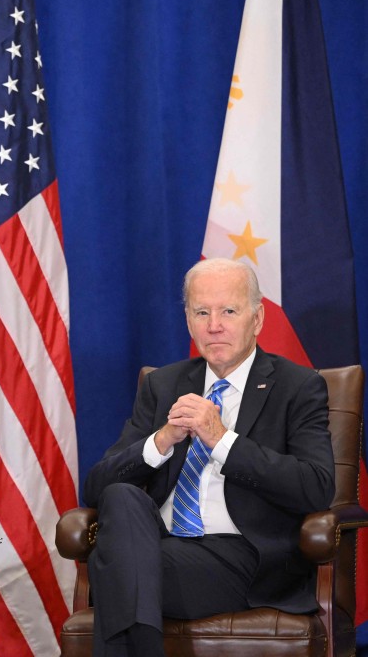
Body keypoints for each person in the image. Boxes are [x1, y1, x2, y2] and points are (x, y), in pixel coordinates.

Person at [82, 257, 335, 657]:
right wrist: (162, 441)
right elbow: (95, 488)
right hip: (158, 543)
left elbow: (315, 488)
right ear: (188, 320)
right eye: (202, 312)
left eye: (228, 311)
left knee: (115, 567)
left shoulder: (299, 387)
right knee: (120, 497)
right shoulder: (163, 384)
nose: (213, 325)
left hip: (241, 556)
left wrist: (222, 441)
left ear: (257, 318)